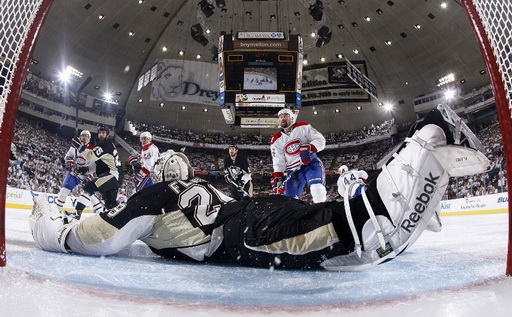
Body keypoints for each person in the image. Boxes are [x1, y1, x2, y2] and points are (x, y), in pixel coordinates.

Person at [30, 107, 489, 271]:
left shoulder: (155, 195)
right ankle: (412, 164)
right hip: (254, 207)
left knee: (348, 234)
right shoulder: (208, 181)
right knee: (322, 221)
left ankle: (426, 137)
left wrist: (56, 230)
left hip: (240, 231)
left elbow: (104, 237)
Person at [270, 108, 327, 203]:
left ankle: (324, 213)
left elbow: (320, 140)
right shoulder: (276, 140)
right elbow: (278, 160)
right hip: (293, 171)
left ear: (292, 118)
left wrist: (310, 148)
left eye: (285, 116)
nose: (282, 118)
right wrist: (278, 177)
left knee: (317, 189)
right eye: (280, 117)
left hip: (310, 164)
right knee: (289, 201)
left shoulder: (303, 127)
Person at [72, 125, 120, 219]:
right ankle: (118, 224)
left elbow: (90, 157)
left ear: (107, 135)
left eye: (103, 133)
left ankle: (78, 212)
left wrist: (82, 147)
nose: (101, 135)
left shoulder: (105, 144)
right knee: (110, 206)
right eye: (100, 133)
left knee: (89, 186)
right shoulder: (106, 145)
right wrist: (85, 169)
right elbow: (97, 165)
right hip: (113, 177)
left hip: (111, 175)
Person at [54, 130, 104, 214]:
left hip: (86, 176)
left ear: (89, 139)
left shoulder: (92, 149)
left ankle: (100, 213)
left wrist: (90, 172)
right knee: (63, 192)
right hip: (74, 174)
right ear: (80, 137)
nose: (84, 137)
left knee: (90, 196)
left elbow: (95, 164)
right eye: (82, 135)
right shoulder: (73, 147)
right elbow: (67, 157)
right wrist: (70, 162)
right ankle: (57, 212)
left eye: (86, 136)